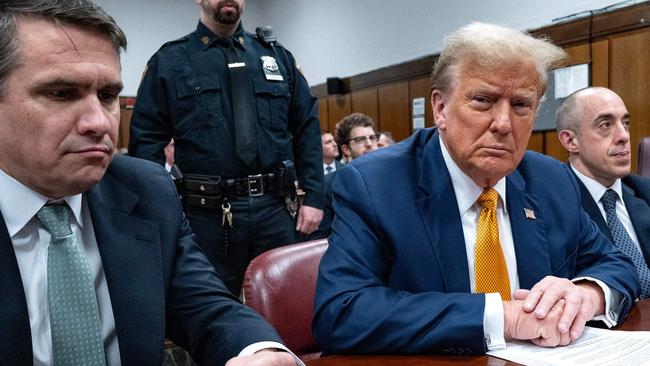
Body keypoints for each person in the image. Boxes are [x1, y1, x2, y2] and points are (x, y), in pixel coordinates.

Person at [0, 1, 301, 365]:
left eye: (108, 96)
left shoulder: (147, 191)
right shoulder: (172, 61)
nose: (100, 122)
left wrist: (259, 350)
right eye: (61, 94)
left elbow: (208, 308)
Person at [312, 22, 640, 356]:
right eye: (483, 100)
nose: (503, 123)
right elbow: (341, 310)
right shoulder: (375, 184)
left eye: (521, 105)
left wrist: (585, 295)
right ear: (440, 108)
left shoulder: (551, 180)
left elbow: (618, 265)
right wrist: (501, 317)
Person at [128, 0, 324, 295]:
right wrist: (161, 211)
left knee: (286, 299)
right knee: (210, 304)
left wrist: (314, 197)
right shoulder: (170, 62)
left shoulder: (276, 56)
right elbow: (145, 143)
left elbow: (306, 127)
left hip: (275, 207)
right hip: (207, 215)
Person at [556, 86, 650, 299]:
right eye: (606, 125)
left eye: (625, 123)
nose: (624, 136)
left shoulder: (644, 192)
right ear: (571, 141)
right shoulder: (553, 200)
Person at [310, 113, 379, 239]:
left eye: (372, 137)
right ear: (346, 149)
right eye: (360, 139)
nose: (369, 144)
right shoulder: (329, 184)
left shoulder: (388, 178)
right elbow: (319, 239)